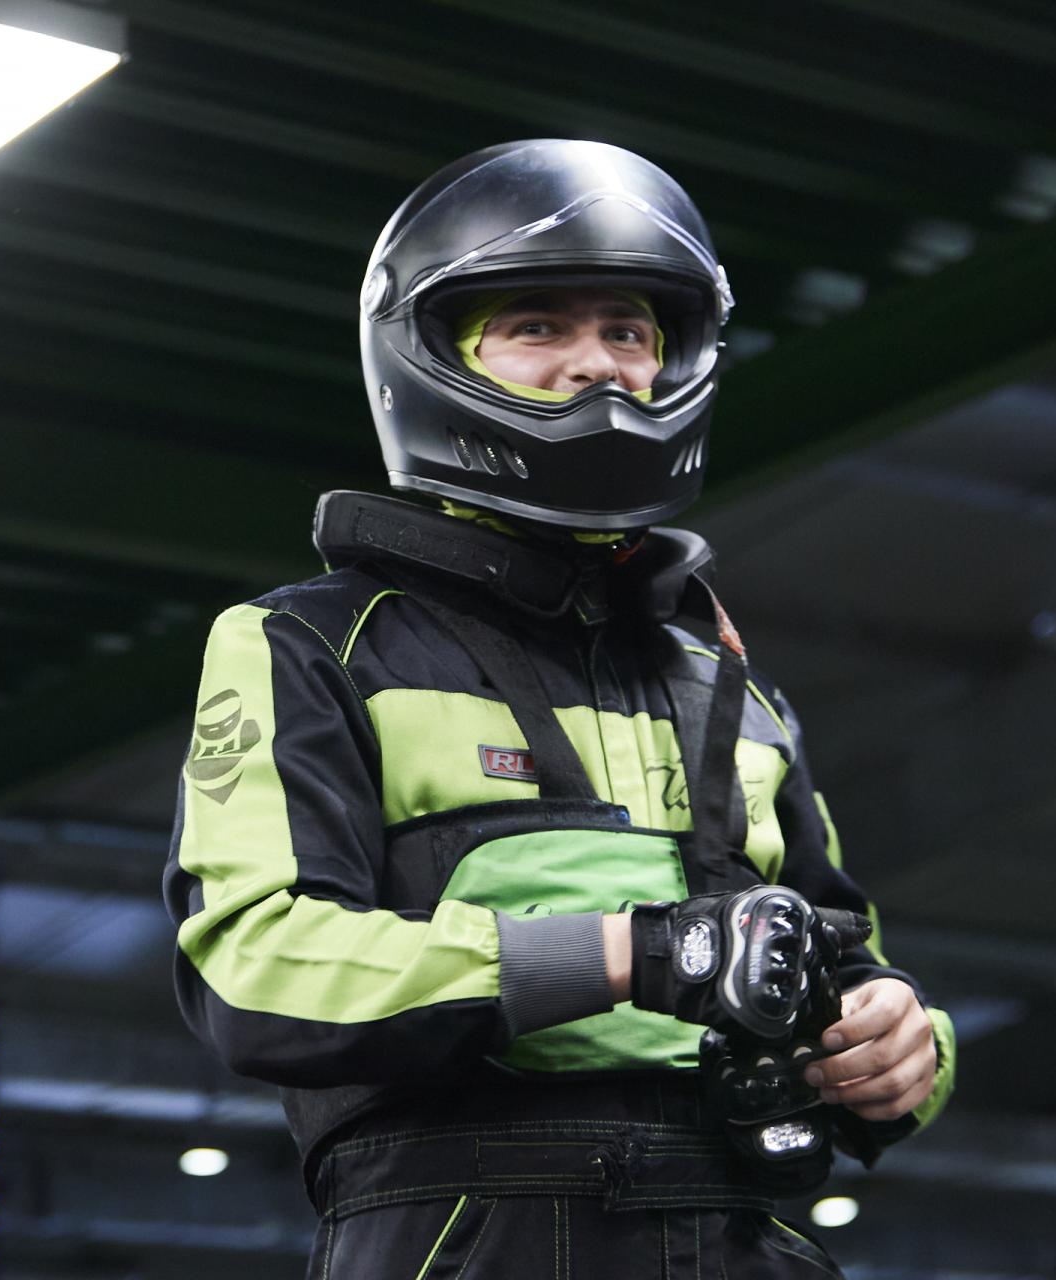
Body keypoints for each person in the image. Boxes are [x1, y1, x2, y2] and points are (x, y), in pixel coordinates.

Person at [164, 138, 956, 1277]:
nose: (599, 366)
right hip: (470, 1223)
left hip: (748, 1222)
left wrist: (903, 1043)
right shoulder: (315, 641)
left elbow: (845, 948)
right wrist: (632, 953)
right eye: (538, 326)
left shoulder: (732, 686)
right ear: (433, 357)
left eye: (630, 332)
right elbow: (257, 970)